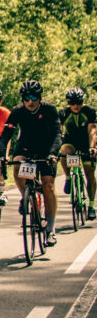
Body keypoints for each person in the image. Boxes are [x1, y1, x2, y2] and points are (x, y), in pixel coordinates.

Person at [1, 80, 62, 244]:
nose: (30, 101)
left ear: (40, 97)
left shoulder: (49, 110)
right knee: (17, 165)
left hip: (47, 148)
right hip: (26, 146)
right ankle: (26, 195)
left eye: (34, 97)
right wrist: (2, 156)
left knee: (48, 185)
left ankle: (50, 229)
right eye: (26, 98)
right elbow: (6, 135)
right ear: (22, 99)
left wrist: (53, 154)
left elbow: (58, 134)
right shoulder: (18, 111)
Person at [58, 87, 97, 220]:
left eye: (79, 102)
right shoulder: (63, 113)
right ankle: (68, 178)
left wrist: (92, 147)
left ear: (82, 102)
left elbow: (92, 131)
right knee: (65, 152)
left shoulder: (89, 111)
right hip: (71, 142)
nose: (76, 106)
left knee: (89, 172)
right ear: (68, 103)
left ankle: (91, 206)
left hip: (86, 143)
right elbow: (59, 132)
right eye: (72, 103)